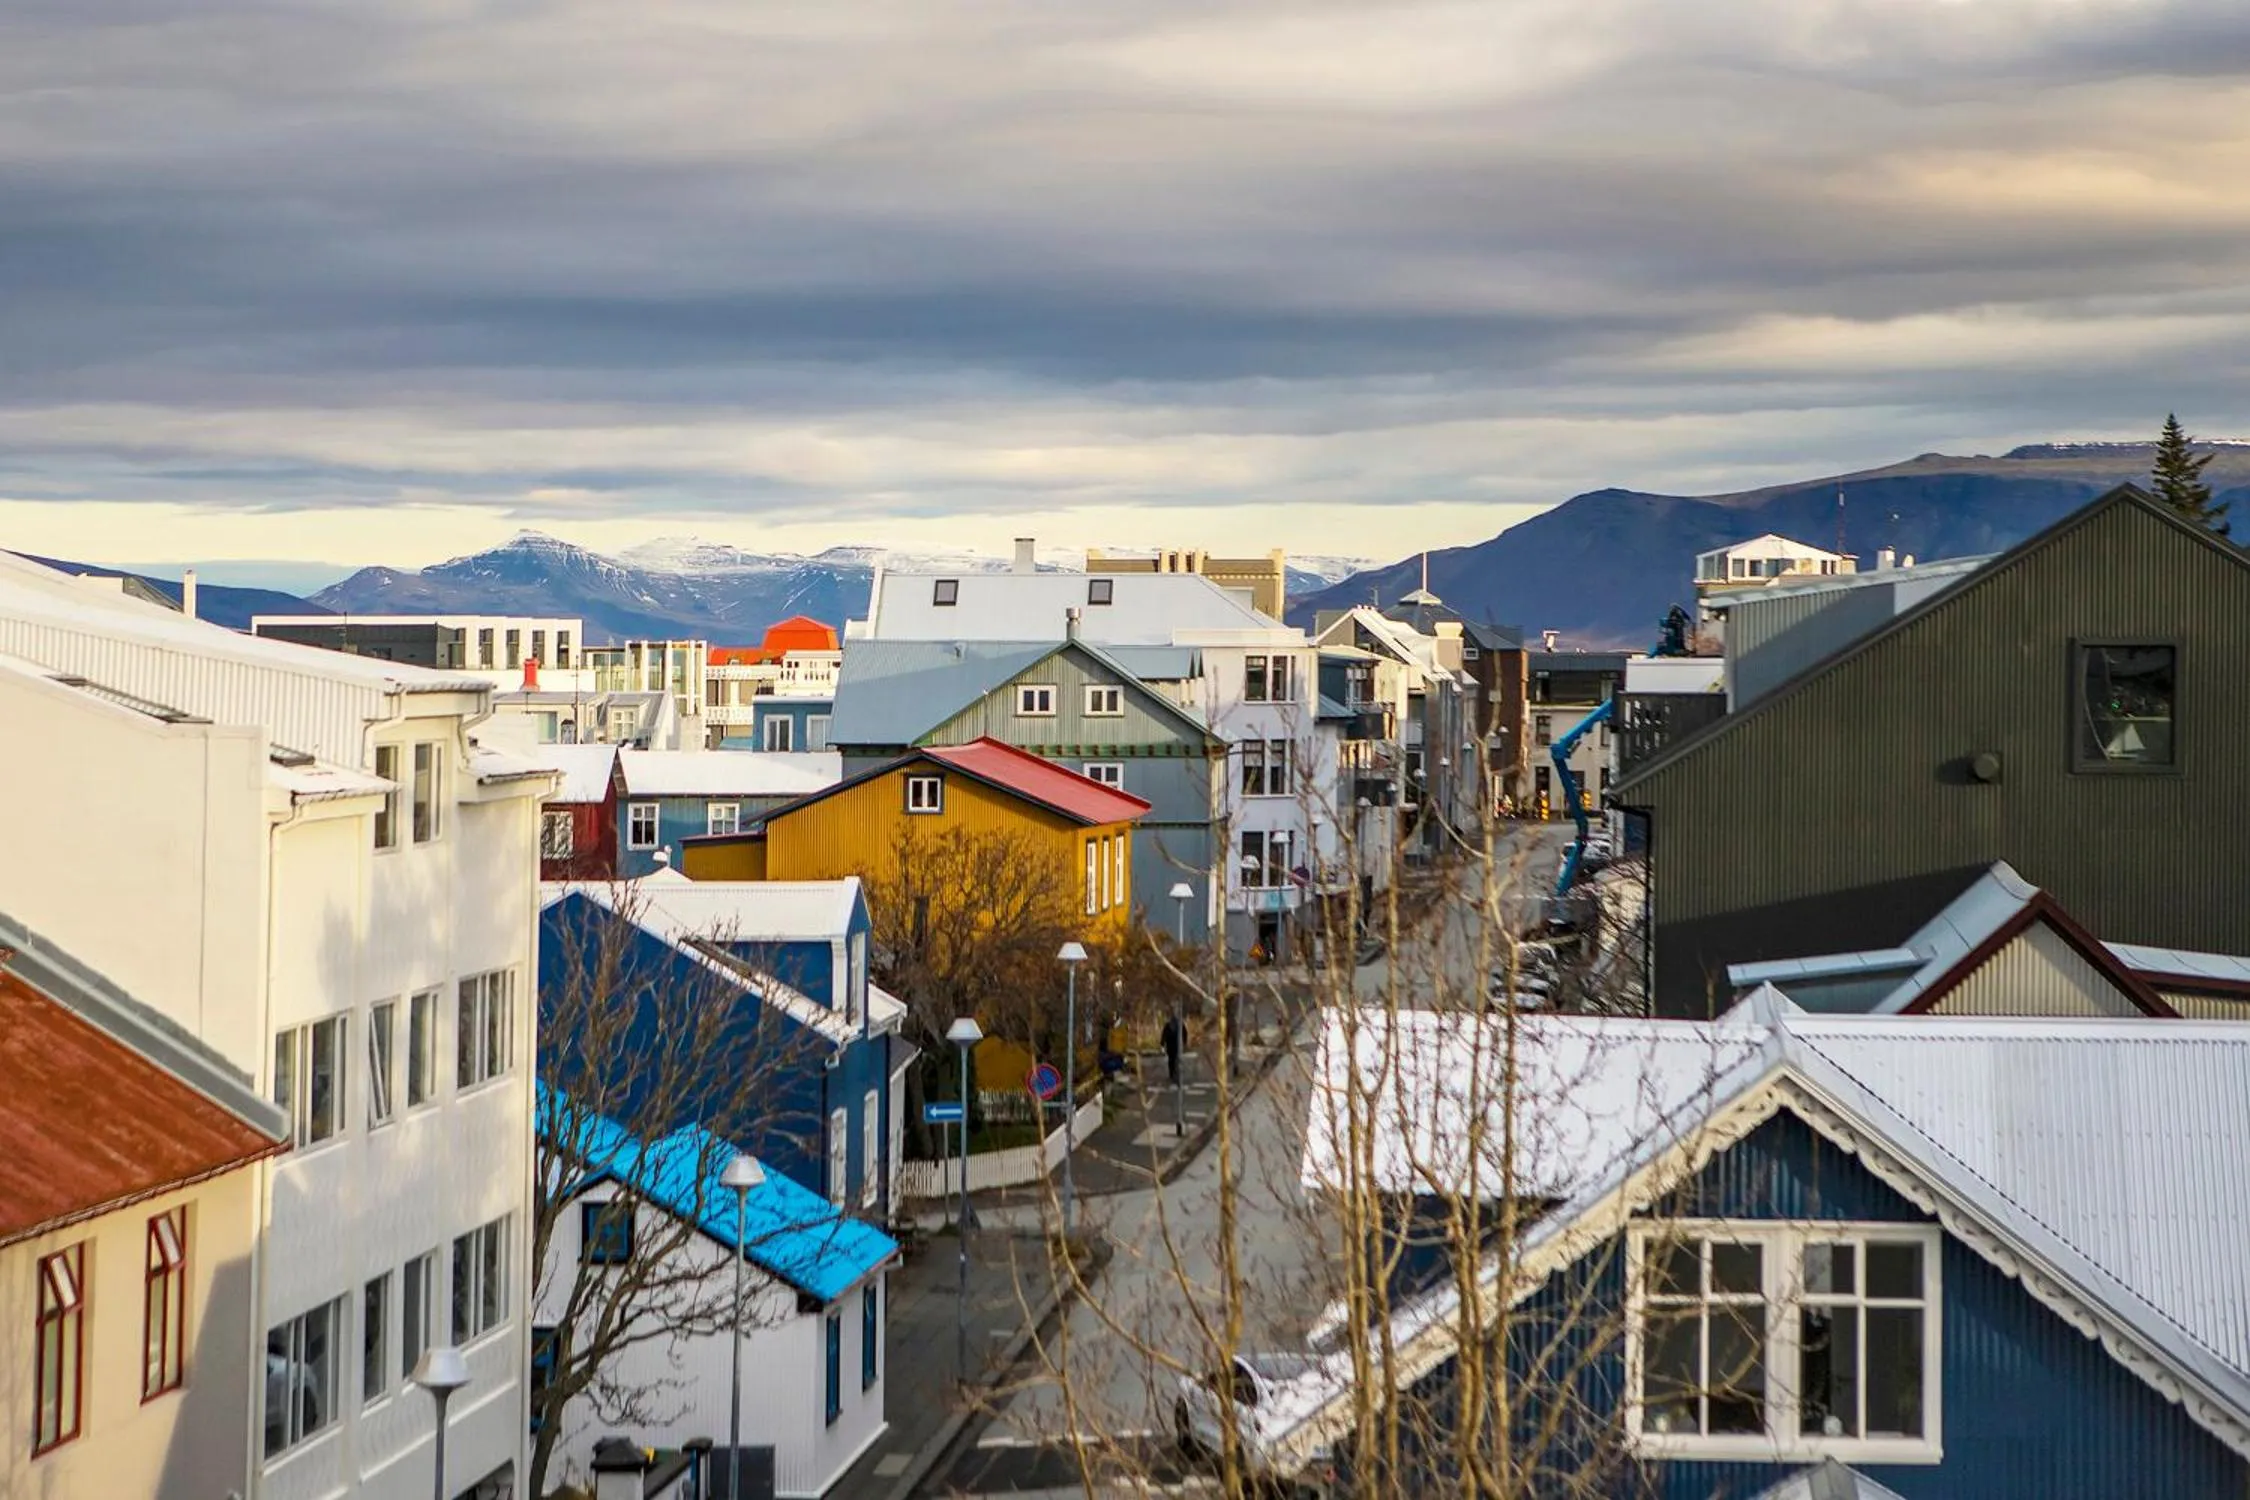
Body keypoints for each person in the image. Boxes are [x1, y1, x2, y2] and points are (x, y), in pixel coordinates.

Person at [1160, 1014, 1184, 1086]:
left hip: (1176, 1046)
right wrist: (1162, 1044)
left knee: (1174, 1060)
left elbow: (1184, 1033)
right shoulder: (1168, 1026)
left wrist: (1184, 1042)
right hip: (1171, 1046)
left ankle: (1175, 1074)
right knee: (1171, 1060)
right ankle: (1173, 1074)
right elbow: (1164, 1035)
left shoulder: (1179, 1025)